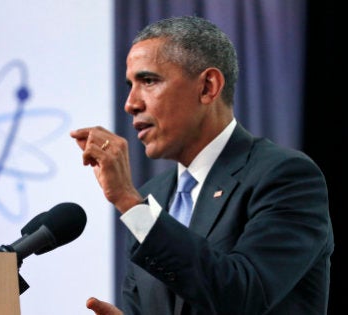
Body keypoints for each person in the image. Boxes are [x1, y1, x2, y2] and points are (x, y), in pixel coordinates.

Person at [70, 15, 334, 314]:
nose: (130, 103)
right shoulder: (152, 196)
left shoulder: (286, 177)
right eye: (130, 85)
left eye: (148, 80)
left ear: (208, 87)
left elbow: (242, 296)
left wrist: (130, 203)